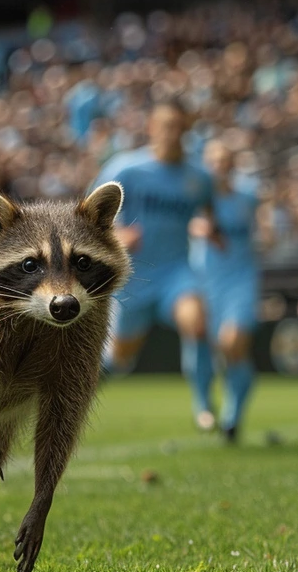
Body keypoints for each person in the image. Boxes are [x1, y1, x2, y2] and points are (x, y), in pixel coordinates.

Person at [93, 100, 218, 430]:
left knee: (198, 322)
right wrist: (117, 234)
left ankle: (204, 406)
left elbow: (209, 213)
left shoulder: (198, 178)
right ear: (151, 127)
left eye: (179, 126)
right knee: (119, 359)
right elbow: (89, 217)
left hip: (177, 272)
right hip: (134, 278)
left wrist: (209, 229)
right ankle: (84, 387)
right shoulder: (126, 169)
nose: (173, 133)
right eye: (166, 125)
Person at [193, 141, 269, 443]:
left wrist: (268, 230)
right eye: (214, 160)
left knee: (232, 340)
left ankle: (232, 414)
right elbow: (191, 225)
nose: (219, 165)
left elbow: (265, 228)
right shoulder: (196, 198)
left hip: (241, 279)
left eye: (225, 160)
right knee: (211, 345)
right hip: (206, 280)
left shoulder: (248, 197)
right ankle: (216, 404)